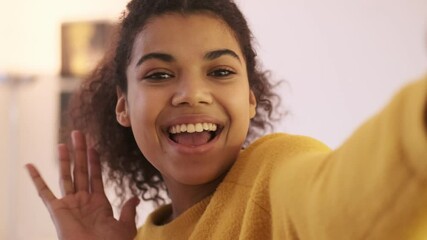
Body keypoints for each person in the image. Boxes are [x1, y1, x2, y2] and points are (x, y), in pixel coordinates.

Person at [26, 0, 427, 239]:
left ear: (250, 97)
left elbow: (343, 204)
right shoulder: (142, 236)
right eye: (159, 75)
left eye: (220, 71)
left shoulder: (273, 173)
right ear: (123, 107)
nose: (192, 94)